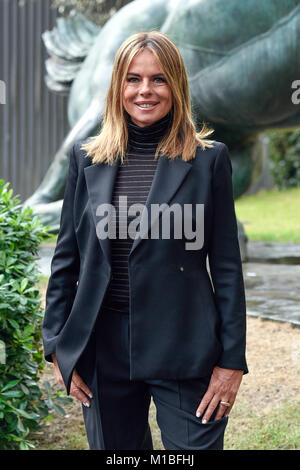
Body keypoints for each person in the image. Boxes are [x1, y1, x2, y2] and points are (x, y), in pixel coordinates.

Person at [42, 30, 248, 451]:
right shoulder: (87, 160)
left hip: (185, 346)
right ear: (118, 86)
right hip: (103, 348)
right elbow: (67, 259)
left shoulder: (209, 161)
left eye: (158, 79)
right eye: (133, 79)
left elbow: (226, 268)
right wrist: (59, 346)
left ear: (177, 85)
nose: (145, 91)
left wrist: (231, 362)